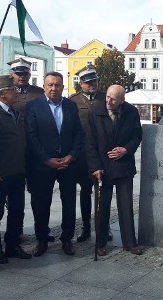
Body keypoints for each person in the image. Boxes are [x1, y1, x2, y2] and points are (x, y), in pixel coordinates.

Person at [25, 72, 83, 257]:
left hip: (67, 164)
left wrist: (71, 156)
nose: (53, 88)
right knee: (41, 203)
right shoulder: (33, 106)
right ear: (43, 86)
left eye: (57, 85)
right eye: (50, 85)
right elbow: (31, 136)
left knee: (69, 202)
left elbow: (78, 134)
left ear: (63, 87)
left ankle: (67, 239)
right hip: (43, 165)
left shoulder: (71, 106)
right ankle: (42, 239)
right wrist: (46, 159)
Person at [86, 85, 144, 256]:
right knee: (101, 207)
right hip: (102, 167)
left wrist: (126, 149)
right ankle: (100, 243)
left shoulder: (131, 111)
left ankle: (130, 243)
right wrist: (95, 167)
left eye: (113, 99)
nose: (108, 101)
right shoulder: (95, 111)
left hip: (123, 165)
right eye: (107, 97)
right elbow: (89, 142)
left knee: (126, 206)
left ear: (122, 101)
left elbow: (137, 135)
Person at [0, 75, 32, 264]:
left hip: (17, 171)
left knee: (17, 210)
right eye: (13, 89)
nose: (16, 92)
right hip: (0, 173)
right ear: (2, 94)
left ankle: (13, 244)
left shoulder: (14, 112)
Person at [68, 65, 113, 243]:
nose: (92, 84)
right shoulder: (73, 101)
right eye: (88, 82)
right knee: (85, 192)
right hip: (82, 157)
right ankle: (86, 227)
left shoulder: (105, 98)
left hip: (102, 155)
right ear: (81, 84)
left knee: (103, 193)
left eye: (93, 80)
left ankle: (104, 227)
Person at [8, 58, 44, 126]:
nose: (22, 77)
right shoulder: (6, 93)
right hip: (13, 132)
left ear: (29, 75)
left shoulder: (39, 92)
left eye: (25, 74)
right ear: (11, 75)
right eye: (19, 74)